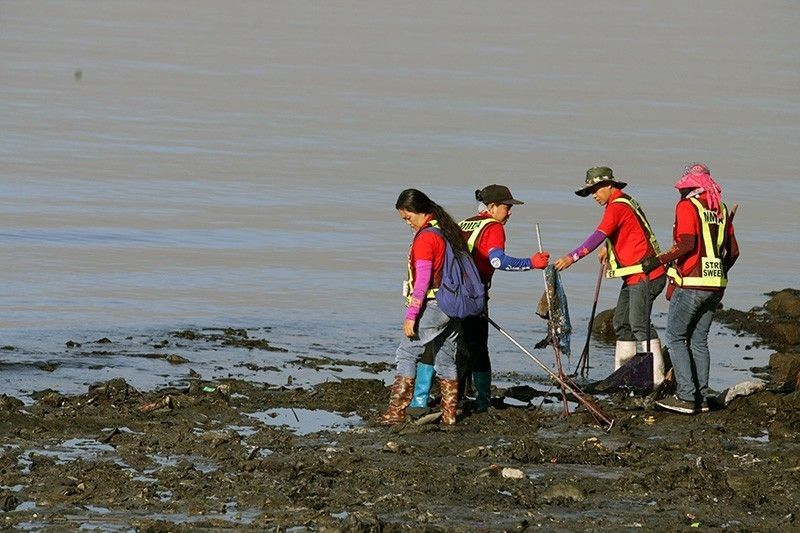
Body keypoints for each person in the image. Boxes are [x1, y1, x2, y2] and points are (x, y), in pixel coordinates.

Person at [410, 184, 550, 413]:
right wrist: (531, 263)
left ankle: (421, 401)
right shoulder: (494, 227)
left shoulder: (464, 223)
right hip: (472, 297)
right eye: (507, 207)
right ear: (492, 207)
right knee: (477, 347)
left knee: (439, 344)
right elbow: (497, 261)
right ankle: (483, 401)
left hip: (446, 295)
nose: (510, 212)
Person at [554, 167, 667, 388]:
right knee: (621, 323)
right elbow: (630, 230)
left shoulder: (616, 206)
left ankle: (657, 380)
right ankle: (623, 376)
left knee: (639, 324)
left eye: (595, 190)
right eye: (590, 192)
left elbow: (598, 235)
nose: (594, 195)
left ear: (608, 185)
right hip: (634, 275)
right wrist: (610, 248)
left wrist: (572, 257)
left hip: (646, 274)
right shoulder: (624, 202)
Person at [647, 164, 739, 414]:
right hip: (716, 285)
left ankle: (686, 397)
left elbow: (686, 244)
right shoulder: (719, 209)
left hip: (692, 284)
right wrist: (720, 272)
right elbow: (734, 252)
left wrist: (656, 261)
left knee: (675, 337)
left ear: (688, 186)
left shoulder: (687, 206)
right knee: (699, 340)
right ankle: (702, 396)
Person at [380, 189, 465, 426]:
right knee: (446, 357)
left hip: (435, 304)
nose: (408, 224)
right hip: (454, 304)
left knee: (407, 352)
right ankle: (449, 416)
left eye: (408, 218)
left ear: (420, 212)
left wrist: (411, 316)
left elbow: (423, 280)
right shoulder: (447, 231)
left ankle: (396, 412)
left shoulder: (427, 237)